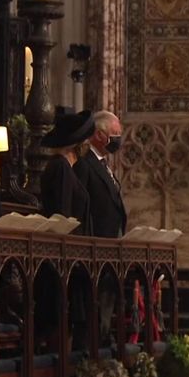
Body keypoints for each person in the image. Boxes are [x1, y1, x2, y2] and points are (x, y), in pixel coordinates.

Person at [39, 110, 95, 351]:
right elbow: (62, 214)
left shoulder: (65, 167)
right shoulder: (60, 167)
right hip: (63, 258)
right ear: (78, 144)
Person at [74, 111, 127, 343]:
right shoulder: (85, 165)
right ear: (98, 135)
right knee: (94, 305)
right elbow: (83, 207)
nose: (117, 140)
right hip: (96, 244)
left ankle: (103, 341)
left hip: (111, 244)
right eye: (114, 135)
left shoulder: (104, 165)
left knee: (107, 302)